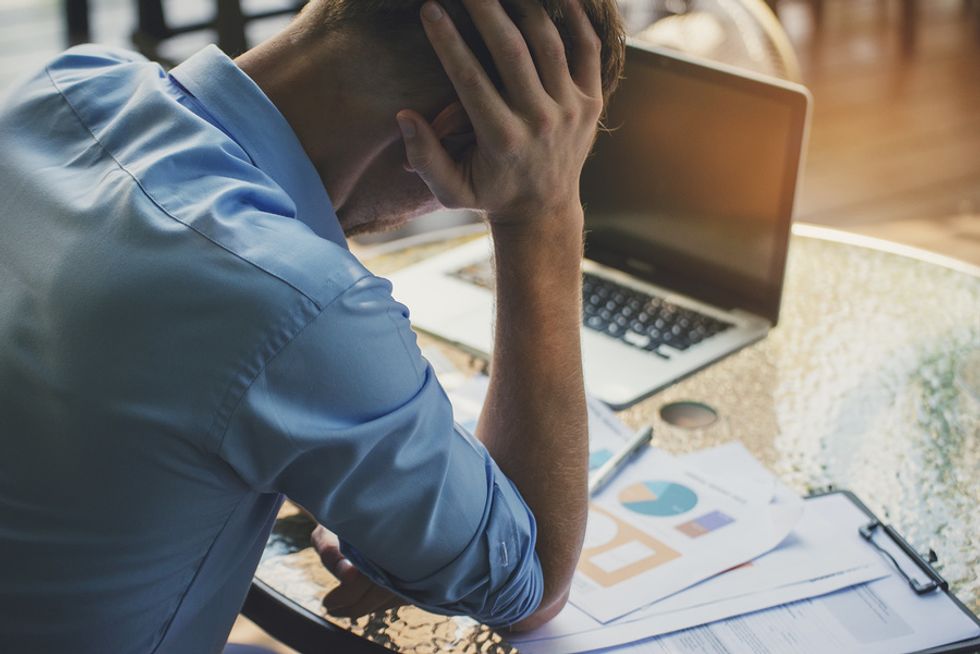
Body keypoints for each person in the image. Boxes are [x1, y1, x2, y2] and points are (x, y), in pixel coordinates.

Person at [0, 0, 625, 651]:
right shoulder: (299, 300)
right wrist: (542, 211)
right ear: (459, 136)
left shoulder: (66, 85)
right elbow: (528, 587)